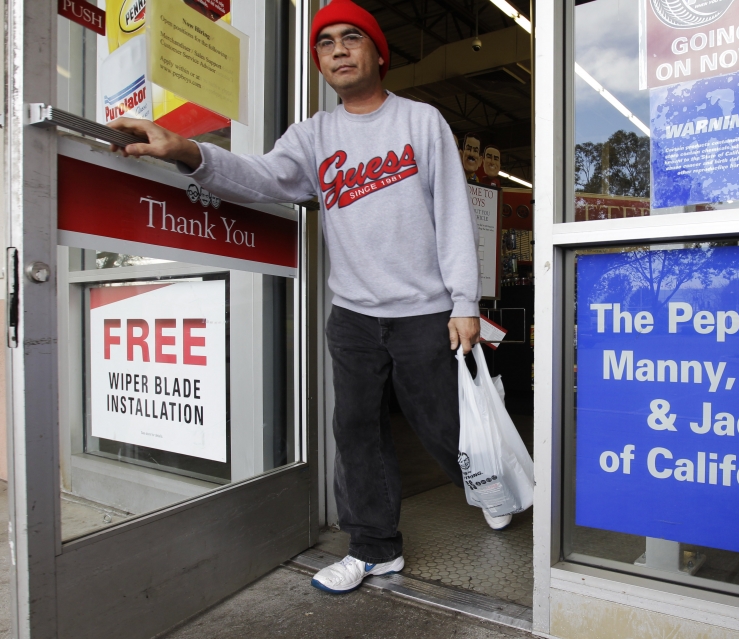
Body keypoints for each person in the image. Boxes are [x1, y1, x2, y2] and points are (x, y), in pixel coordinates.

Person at [108, 0, 510, 595]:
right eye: (326, 44)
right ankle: (375, 549)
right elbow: (260, 176)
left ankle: (495, 487)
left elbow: (453, 214)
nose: (339, 50)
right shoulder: (313, 136)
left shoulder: (420, 122)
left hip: (424, 311)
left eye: (352, 39)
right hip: (352, 315)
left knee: (443, 427)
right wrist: (187, 151)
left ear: (378, 53)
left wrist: (463, 304)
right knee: (356, 432)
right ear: (320, 63)